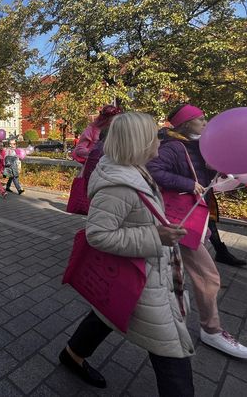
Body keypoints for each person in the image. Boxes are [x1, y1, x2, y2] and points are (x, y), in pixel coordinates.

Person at [60, 112, 194, 396]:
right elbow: (99, 235)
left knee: (106, 313)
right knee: (172, 348)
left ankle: (72, 355)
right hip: (145, 275)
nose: (159, 141)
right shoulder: (118, 185)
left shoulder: (134, 168)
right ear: (139, 142)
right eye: (154, 136)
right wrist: (155, 236)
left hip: (146, 270)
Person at [147, 103, 247, 359]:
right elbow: (153, 170)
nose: (206, 123)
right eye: (201, 119)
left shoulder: (200, 147)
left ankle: (156, 309)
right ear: (186, 125)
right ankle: (212, 330)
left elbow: (208, 174)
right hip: (180, 219)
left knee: (167, 270)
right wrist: (188, 183)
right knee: (208, 277)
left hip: (193, 215)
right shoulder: (174, 147)